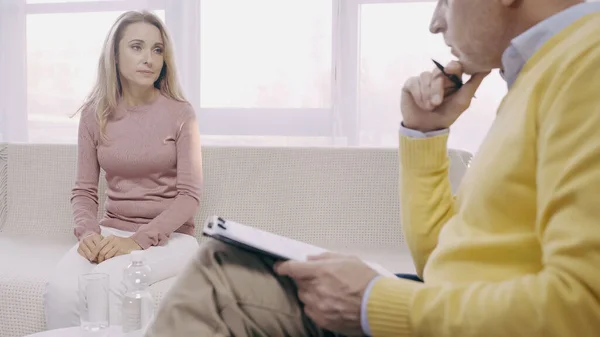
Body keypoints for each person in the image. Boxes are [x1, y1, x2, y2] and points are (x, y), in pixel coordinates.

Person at [146, 0, 600, 336]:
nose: (436, 21)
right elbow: (443, 257)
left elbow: (583, 310)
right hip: (453, 309)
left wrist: (374, 302)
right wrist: (423, 133)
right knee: (227, 263)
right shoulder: (543, 73)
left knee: (221, 284)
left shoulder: (587, 65)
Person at [43, 10, 203, 329]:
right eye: (137, 47)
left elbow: (189, 196)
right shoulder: (95, 114)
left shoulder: (181, 113)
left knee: (115, 280)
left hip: (171, 239)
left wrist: (138, 240)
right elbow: (85, 192)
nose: (149, 58)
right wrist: (88, 234)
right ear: (114, 56)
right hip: (111, 230)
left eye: (157, 50)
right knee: (61, 289)